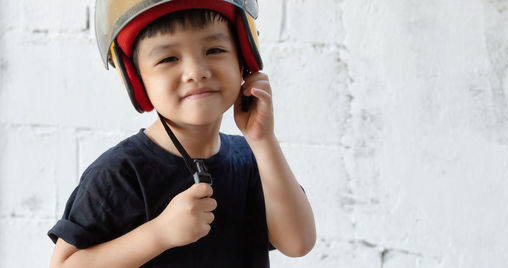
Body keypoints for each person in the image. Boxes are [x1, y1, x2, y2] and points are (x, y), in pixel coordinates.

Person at [47, 0, 316, 267]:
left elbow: (299, 243)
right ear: (136, 80)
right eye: (168, 58)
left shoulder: (252, 158)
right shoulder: (119, 174)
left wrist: (262, 139)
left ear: (244, 60)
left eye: (214, 49)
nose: (196, 72)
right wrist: (159, 234)